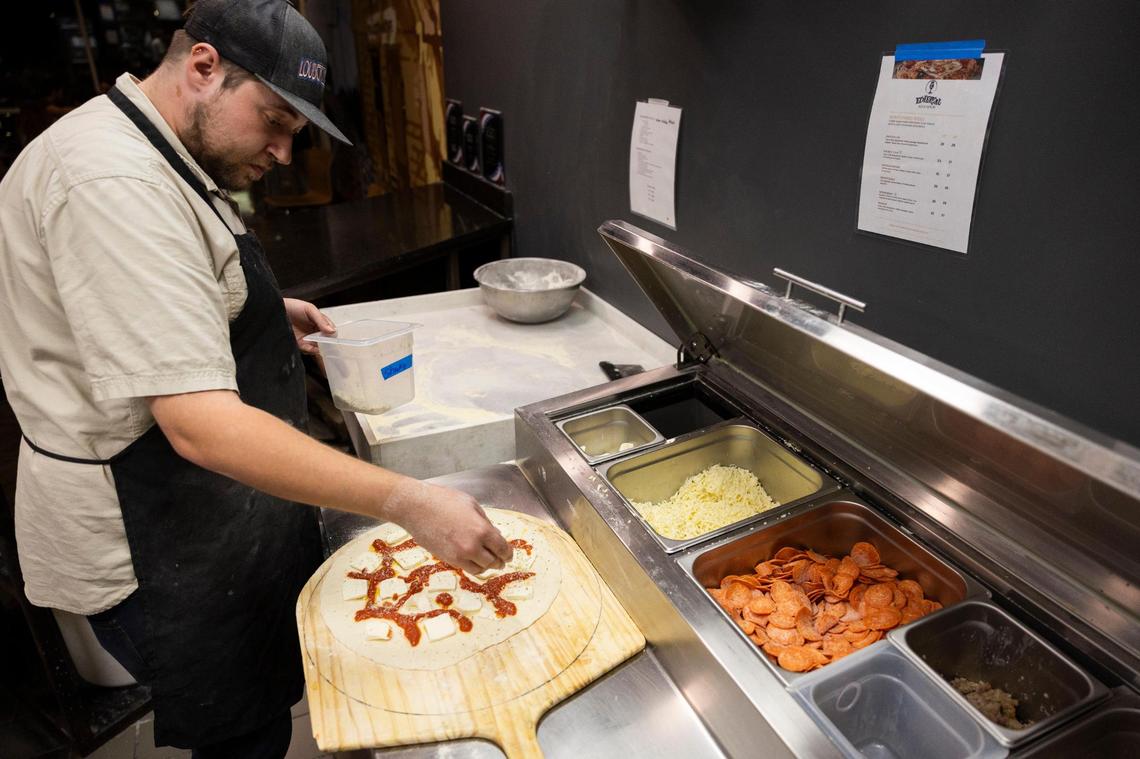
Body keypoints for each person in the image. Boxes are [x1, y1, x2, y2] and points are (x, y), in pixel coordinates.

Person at [0, 1, 512, 756]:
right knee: (244, 731)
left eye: (294, 133)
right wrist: (409, 499)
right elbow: (199, 423)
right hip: (149, 533)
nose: (281, 151)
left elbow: (173, 280)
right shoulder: (110, 179)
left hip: (199, 514)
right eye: (273, 121)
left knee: (264, 697)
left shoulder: (159, 144)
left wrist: (259, 311)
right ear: (204, 67)